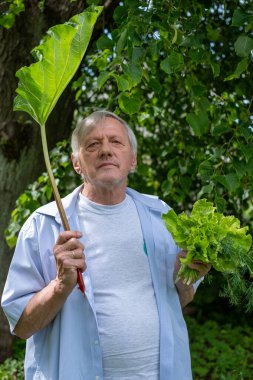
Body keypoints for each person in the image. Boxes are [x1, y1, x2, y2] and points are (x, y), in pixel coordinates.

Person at [1, 110, 211, 380]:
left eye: (116, 142)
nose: (105, 150)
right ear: (77, 163)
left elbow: (179, 299)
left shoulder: (163, 219)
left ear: (132, 159)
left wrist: (187, 279)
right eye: (93, 144)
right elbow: (21, 325)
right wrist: (60, 286)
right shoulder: (44, 225)